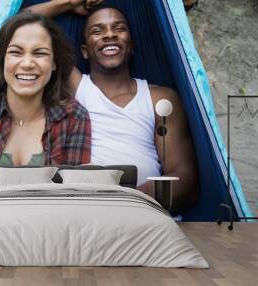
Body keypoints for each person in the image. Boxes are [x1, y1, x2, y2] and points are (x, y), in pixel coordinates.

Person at [26, 1, 199, 211]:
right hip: (82, 211)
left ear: (132, 45)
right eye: (97, 31)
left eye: (119, 28)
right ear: (85, 51)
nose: (110, 35)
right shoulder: (77, 89)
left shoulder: (160, 99)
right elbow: (24, 24)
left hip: (144, 212)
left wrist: (128, 197)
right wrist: (68, 3)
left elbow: (185, 178)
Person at [0, 12, 91, 198]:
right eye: (16, 52)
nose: (27, 63)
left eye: (40, 53)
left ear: (54, 63)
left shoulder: (74, 117)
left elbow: (73, 194)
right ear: (2, 59)